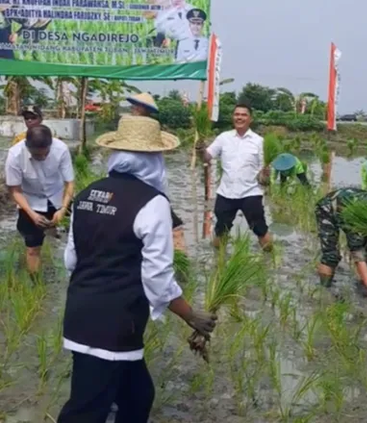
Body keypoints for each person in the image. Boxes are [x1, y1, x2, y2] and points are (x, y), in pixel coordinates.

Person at [57, 115, 217, 423]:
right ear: (154, 159)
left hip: (79, 314)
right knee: (86, 411)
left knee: (137, 397)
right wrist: (190, 314)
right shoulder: (153, 202)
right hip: (116, 324)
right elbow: (157, 278)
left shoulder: (87, 194)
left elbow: (71, 260)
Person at [315, 157, 367, 305]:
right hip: (329, 208)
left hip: (350, 204)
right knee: (331, 255)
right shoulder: (356, 218)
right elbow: (357, 255)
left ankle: (363, 285)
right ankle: (324, 291)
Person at [199, 103, 273, 251]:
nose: (239, 117)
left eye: (243, 115)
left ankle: (270, 261)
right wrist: (200, 151)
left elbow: (265, 169)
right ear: (233, 117)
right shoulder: (223, 138)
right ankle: (218, 263)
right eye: (237, 114)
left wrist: (265, 175)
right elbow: (207, 157)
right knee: (221, 230)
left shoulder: (259, 141)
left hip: (251, 193)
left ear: (250, 119)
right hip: (226, 193)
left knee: (260, 229)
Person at [5, 125, 75, 277]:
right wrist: (32, 214)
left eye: (45, 154)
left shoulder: (61, 149)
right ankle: (36, 282)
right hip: (30, 201)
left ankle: (54, 246)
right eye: (37, 156)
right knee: (32, 247)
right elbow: (15, 190)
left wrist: (63, 209)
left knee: (68, 238)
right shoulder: (15, 155)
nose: (42, 158)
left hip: (57, 197)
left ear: (50, 145)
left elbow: (69, 183)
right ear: (27, 146)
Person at [126, 92, 187, 252]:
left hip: (148, 191)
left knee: (173, 228)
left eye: (135, 106)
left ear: (141, 108)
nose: (133, 109)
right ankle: (181, 269)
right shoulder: (146, 134)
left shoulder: (145, 132)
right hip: (148, 192)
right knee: (174, 230)